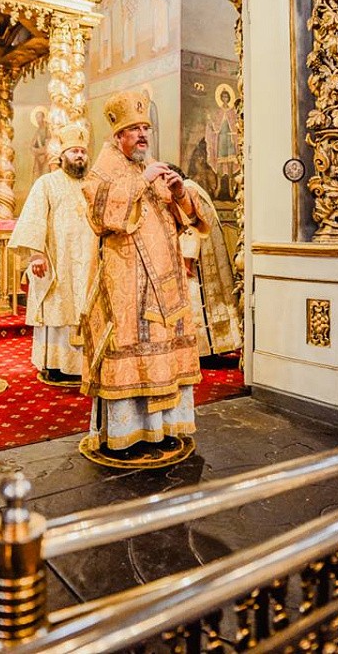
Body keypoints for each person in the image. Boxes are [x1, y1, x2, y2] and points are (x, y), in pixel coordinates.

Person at [81, 89, 207, 462]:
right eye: (135, 129)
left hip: (166, 285)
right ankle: (125, 435)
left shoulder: (151, 166)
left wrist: (180, 193)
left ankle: (163, 428)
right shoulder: (102, 171)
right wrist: (141, 182)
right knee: (131, 352)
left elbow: (187, 219)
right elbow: (102, 215)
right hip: (125, 282)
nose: (142, 135)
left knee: (165, 352)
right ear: (118, 134)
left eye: (146, 128)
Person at [8, 123, 97, 385]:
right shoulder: (47, 183)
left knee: (87, 307)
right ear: (63, 156)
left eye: (83, 151)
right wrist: (36, 255)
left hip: (89, 259)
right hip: (58, 259)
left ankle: (86, 365)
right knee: (59, 305)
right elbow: (34, 219)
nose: (79, 156)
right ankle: (57, 364)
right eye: (74, 151)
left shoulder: (93, 185)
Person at [168, 166, 242, 359]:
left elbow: (190, 230)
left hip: (198, 260)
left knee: (197, 297)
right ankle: (215, 346)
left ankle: (201, 348)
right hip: (208, 254)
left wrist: (186, 260)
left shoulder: (187, 191)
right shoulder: (197, 188)